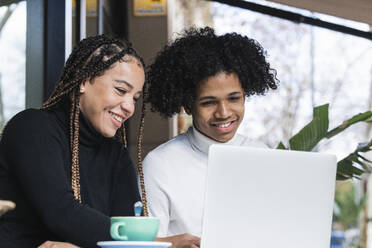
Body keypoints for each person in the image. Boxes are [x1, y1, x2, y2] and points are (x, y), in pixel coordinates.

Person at [0, 35, 146, 248]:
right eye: (121, 90)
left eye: (135, 98)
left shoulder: (116, 154)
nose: (129, 107)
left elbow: (130, 233)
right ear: (84, 81)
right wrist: (154, 242)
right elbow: (60, 211)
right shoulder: (32, 127)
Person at [139, 27, 279, 248]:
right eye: (208, 102)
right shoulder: (160, 165)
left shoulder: (263, 155)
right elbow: (144, 245)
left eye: (234, 98)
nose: (223, 112)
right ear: (187, 105)